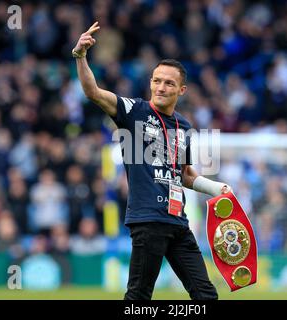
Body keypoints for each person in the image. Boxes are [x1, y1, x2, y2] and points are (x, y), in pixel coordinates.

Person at [73, 22, 232, 300]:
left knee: (206, 296)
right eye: (157, 80)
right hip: (148, 220)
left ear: (181, 90)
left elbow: (185, 175)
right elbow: (93, 92)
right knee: (138, 297)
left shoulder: (183, 126)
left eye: (169, 83)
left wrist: (214, 188)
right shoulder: (133, 111)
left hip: (178, 222)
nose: (161, 87)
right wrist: (81, 56)